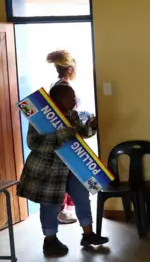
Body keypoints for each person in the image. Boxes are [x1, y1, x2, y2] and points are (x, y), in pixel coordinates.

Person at [17, 84, 107, 257]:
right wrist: (61, 135)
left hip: (71, 166)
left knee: (82, 196)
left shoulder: (72, 115)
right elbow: (33, 143)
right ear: (58, 99)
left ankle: (88, 234)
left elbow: (79, 134)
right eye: (70, 97)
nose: (74, 100)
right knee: (50, 204)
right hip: (49, 170)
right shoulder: (40, 117)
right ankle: (50, 240)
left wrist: (91, 127)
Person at [47, 50, 80, 224]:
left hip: (65, 137)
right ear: (69, 69)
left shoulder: (57, 85)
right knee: (63, 177)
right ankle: (61, 212)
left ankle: (65, 210)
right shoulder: (62, 87)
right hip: (63, 137)